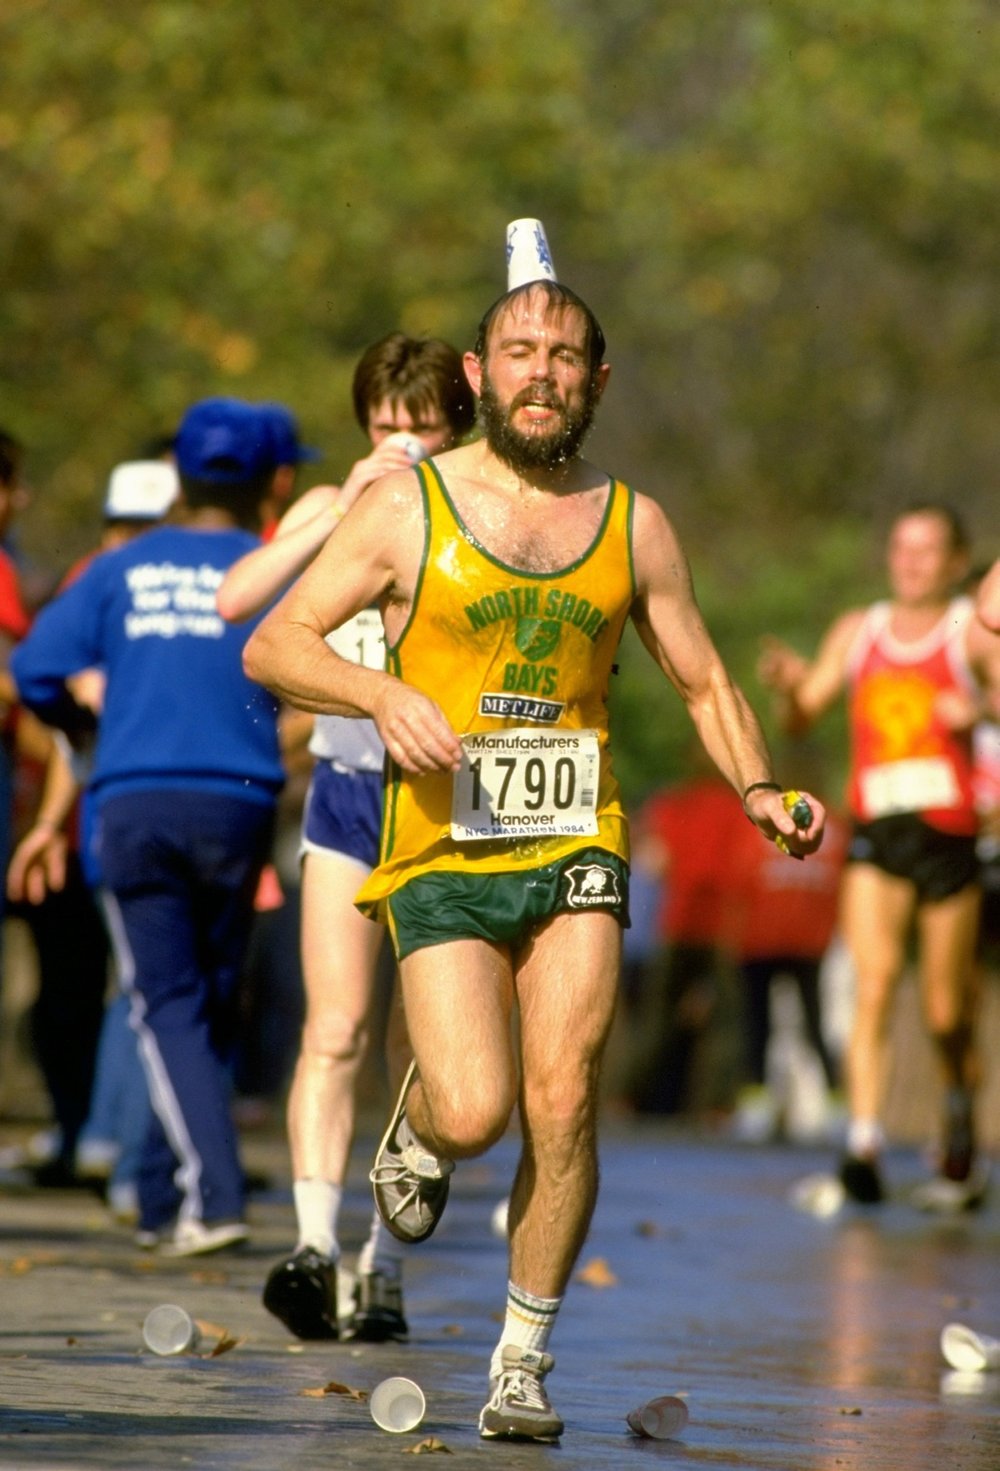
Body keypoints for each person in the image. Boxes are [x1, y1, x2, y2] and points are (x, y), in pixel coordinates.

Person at [242, 255, 824, 1442]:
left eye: (565, 357)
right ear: (478, 372)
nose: (542, 374)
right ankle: (424, 1125)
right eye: (520, 353)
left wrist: (759, 786)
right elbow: (273, 643)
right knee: (478, 1108)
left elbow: (705, 678)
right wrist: (374, 692)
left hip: (573, 840)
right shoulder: (406, 506)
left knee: (564, 1099)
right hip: (444, 846)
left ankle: (522, 1357)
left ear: (598, 378)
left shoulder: (633, 522)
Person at [217, 337, 476, 1341]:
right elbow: (238, 603)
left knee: (420, 1051)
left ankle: (383, 1261)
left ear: (458, 427)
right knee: (334, 1028)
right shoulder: (338, 504)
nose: (402, 442)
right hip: (345, 791)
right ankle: (313, 1247)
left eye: (422, 426)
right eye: (384, 425)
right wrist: (336, 511)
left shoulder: (474, 514)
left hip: (444, 806)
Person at [9, 399, 285, 1255]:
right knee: (209, 995)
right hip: (241, 799)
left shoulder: (121, 567)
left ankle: (215, 1192)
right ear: (272, 481)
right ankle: (166, 1195)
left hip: (134, 800)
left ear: (181, 477)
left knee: (163, 1000)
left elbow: (35, 667)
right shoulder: (274, 568)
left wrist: (82, 726)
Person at [759, 505, 1000, 1209]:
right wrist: (787, 686)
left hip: (951, 835)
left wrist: (979, 711)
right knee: (873, 981)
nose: (911, 562)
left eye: (927, 551)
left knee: (946, 1009)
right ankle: (862, 1142)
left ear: (957, 561)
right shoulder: (859, 631)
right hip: (878, 829)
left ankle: (958, 1116)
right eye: (901, 547)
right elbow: (805, 712)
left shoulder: (973, 629)